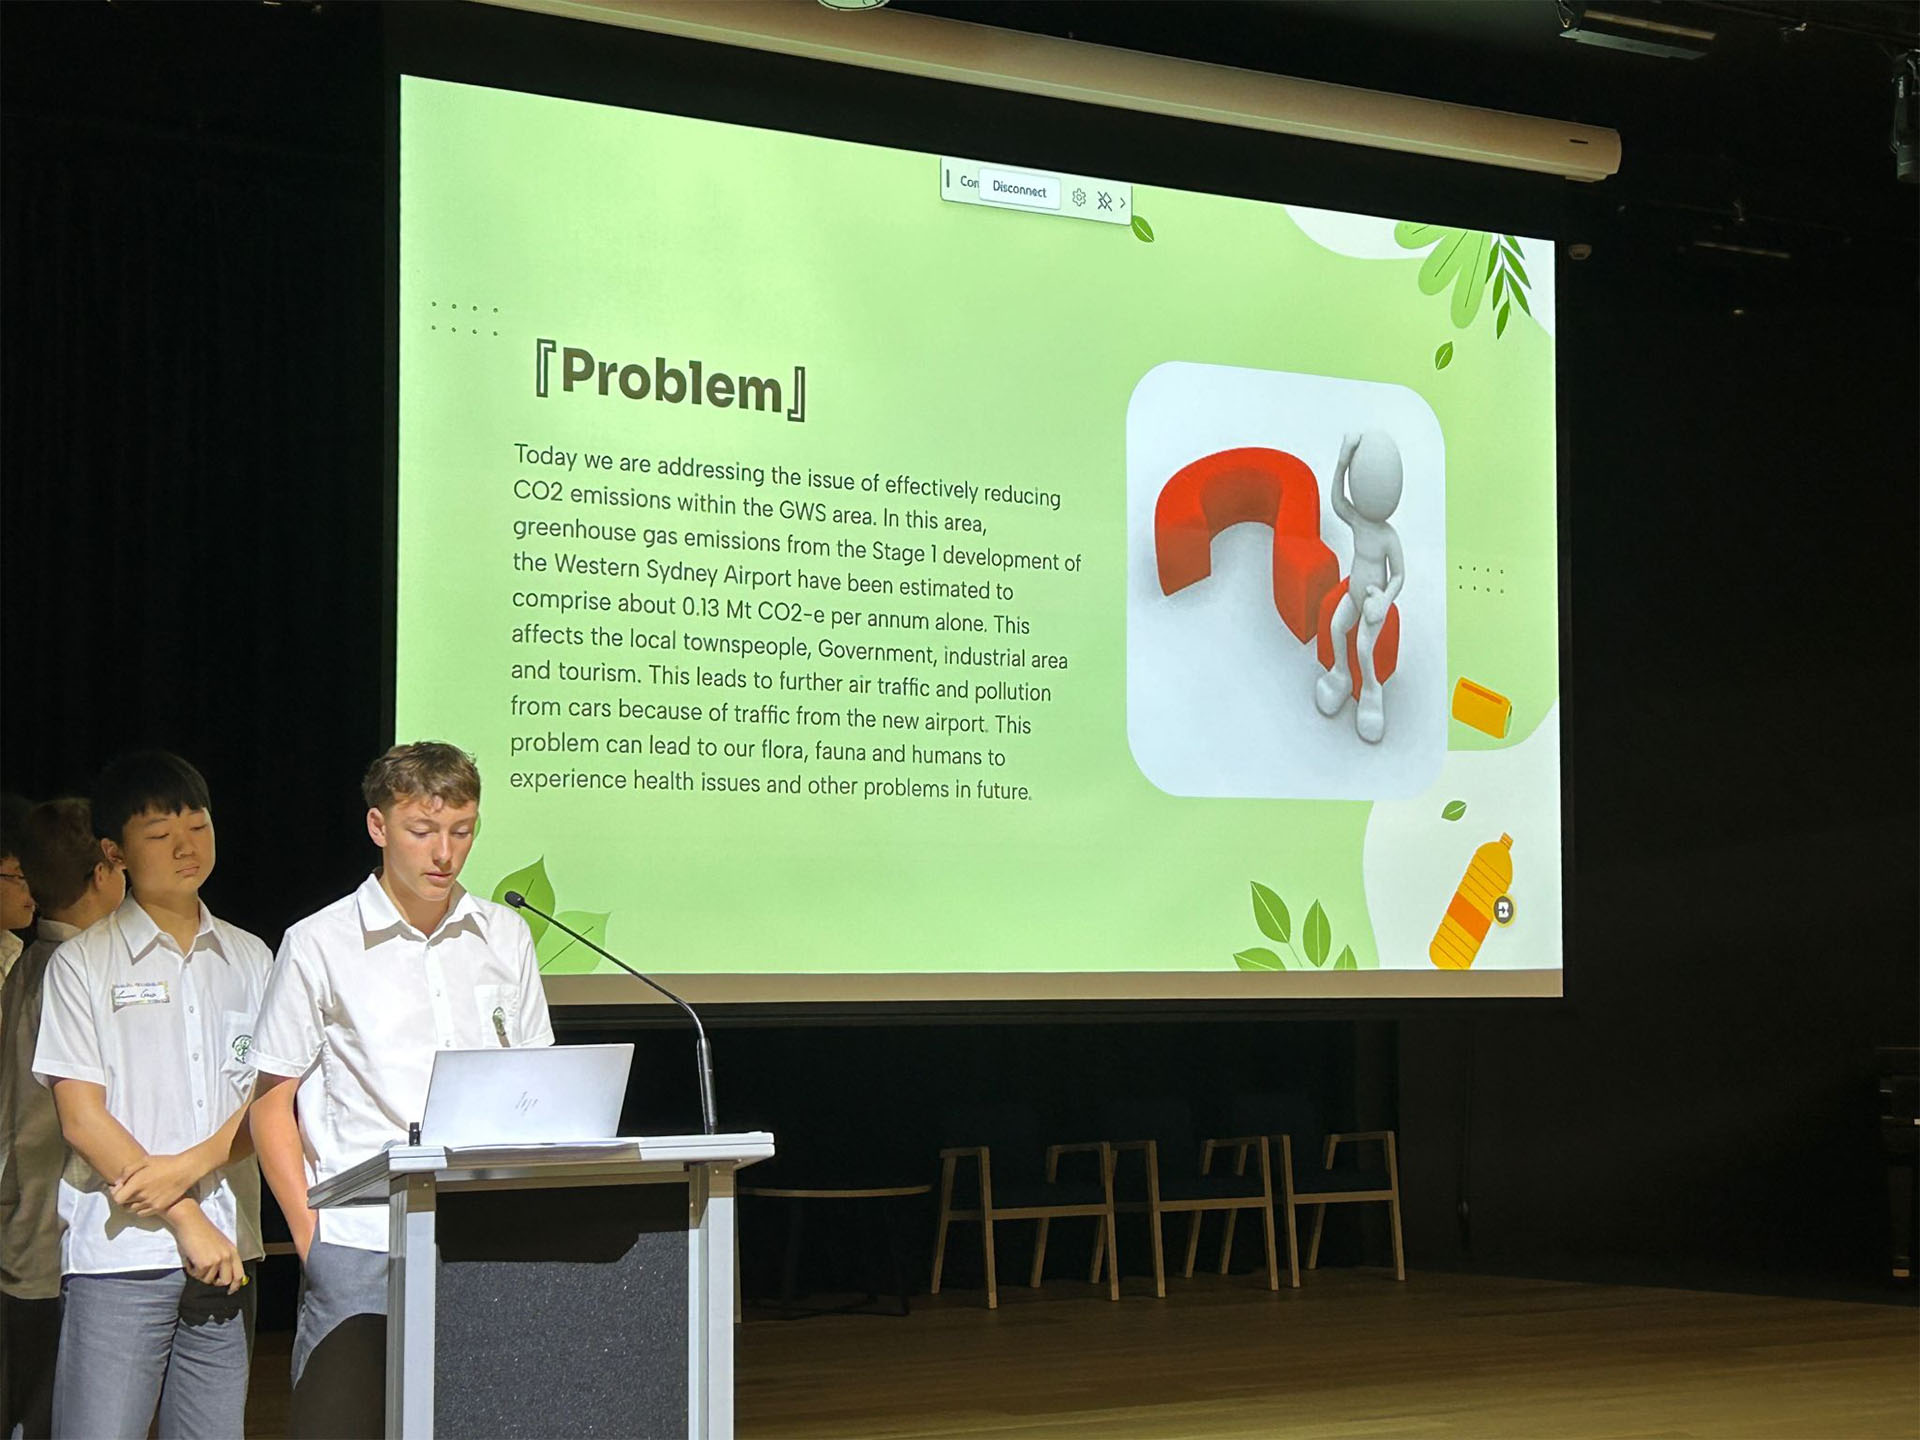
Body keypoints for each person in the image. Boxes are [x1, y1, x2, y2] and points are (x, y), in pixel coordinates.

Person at [251, 741, 553, 1438]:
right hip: (359, 1241)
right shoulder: (320, 942)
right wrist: (311, 1236)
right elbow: (271, 1103)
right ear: (378, 827)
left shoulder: (505, 935)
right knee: (345, 1425)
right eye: (423, 831)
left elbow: (537, 1083)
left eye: (462, 831)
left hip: (483, 1236)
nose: (444, 853)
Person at [31, 752, 269, 1440]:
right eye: (161, 835)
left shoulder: (253, 958)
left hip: (229, 1253)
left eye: (198, 826)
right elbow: (82, 1119)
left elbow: (267, 1102)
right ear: (116, 853)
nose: (186, 846)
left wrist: (190, 1171)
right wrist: (186, 1216)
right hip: (122, 1257)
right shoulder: (82, 964)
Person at [0, 799, 126, 1439]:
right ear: (103, 871)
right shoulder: (70, 970)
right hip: (51, 1235)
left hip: (32, 1226)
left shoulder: (33, 963)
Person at [1314, 430, 1407, 744]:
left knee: (1364, 648)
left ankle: (1371, 690)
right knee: (1336, 627)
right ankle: (1340, 674)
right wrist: (1342, 462)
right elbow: (1338, 502)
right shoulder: (1358, 522)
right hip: (1353, 596)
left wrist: (1384, 600)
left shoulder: (1388, 537)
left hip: (1372, 605)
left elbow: (1398, 576)